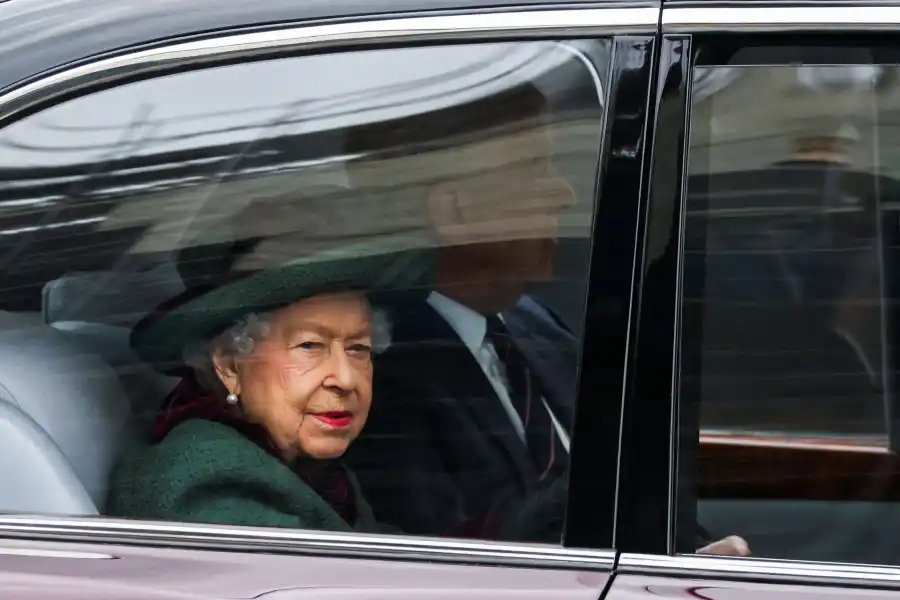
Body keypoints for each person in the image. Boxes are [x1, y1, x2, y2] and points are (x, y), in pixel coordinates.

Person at [341, 80, 750, 556]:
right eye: (535, 169)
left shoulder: (530, 322)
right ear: (454, 211)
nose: (565, 193)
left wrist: (697, 557)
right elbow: (461, 563)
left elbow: (629, 498)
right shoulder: (382, 374)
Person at [107, 193, 436, 531]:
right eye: (310, 345)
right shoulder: (210, 482)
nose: (345, 378)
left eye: (358, 348)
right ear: (231, 365)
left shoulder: (301, 468)